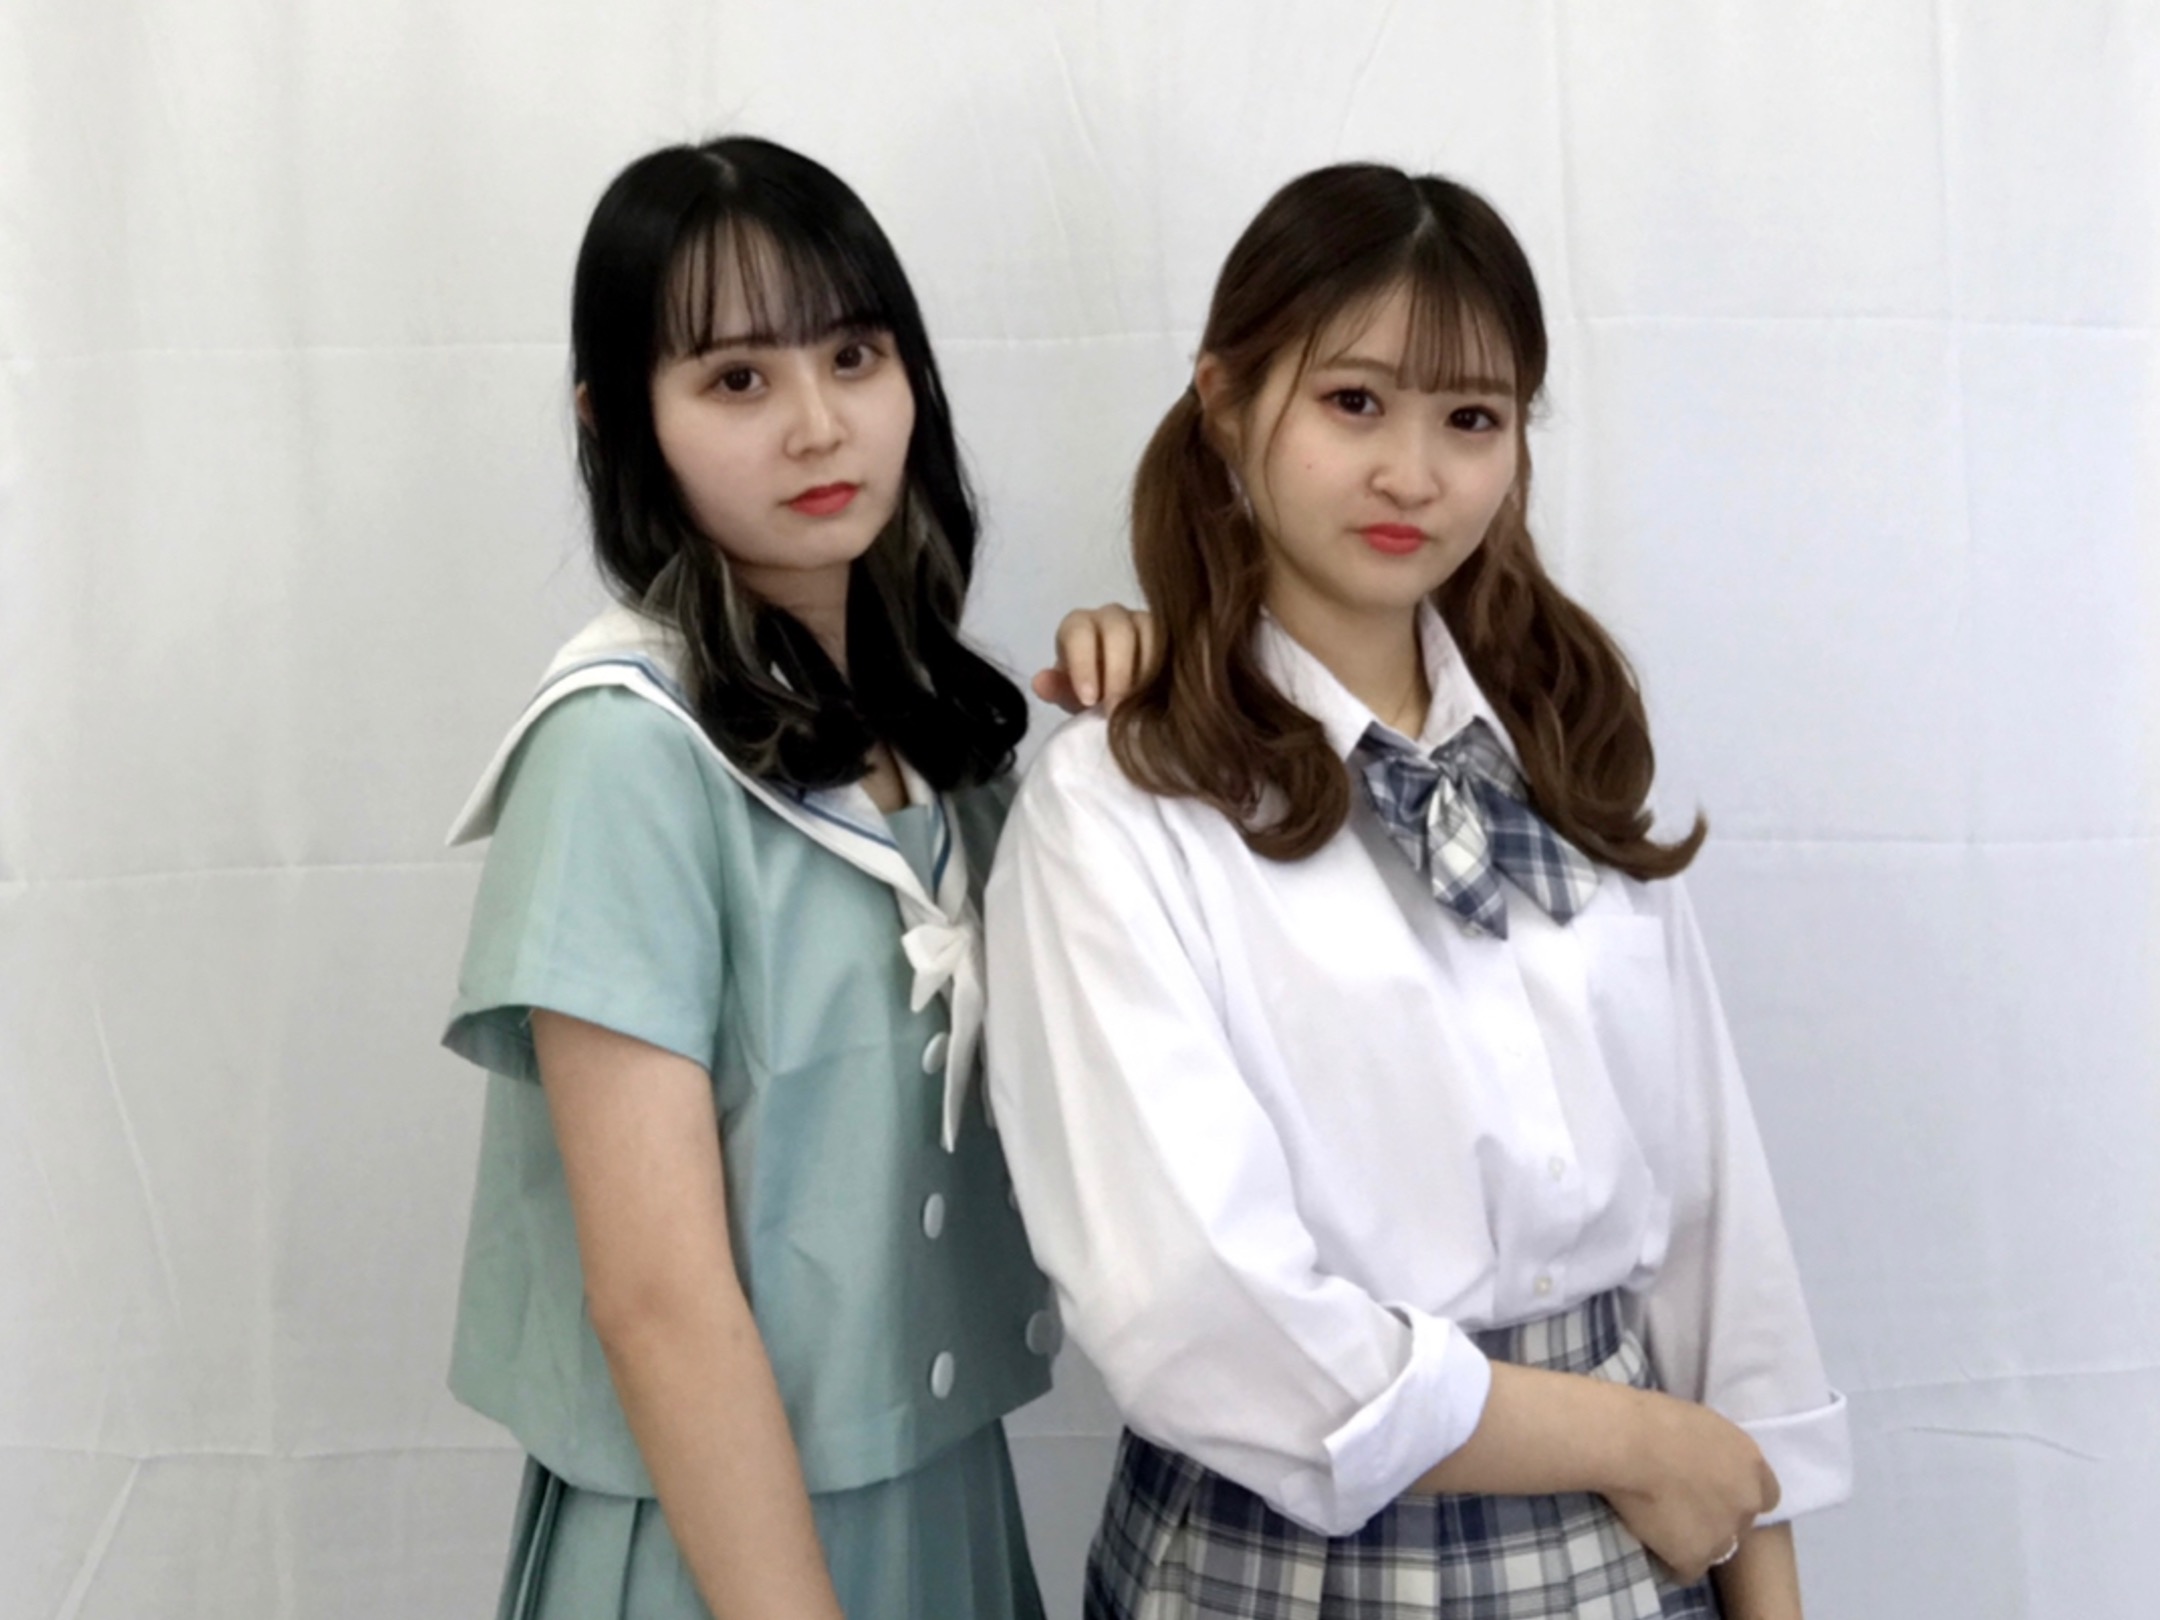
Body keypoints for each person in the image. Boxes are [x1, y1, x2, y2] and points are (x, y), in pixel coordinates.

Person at [983, 163, 1852, 1620]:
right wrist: (1637, 1439)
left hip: (1630, 1545)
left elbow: (1716, 1228)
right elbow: (1196, 1317)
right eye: (1355, 402)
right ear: (1224, 402)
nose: (1413, 474)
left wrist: (1751, 1556)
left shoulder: (1565, 761)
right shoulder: (1120, 807)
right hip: (1287, 1557)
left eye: (1472, 419)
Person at [439, 135, 1152, 1620]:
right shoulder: (621, 753)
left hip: (950, 1508)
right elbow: (655, 1302)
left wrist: (1157, 714)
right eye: (737, 380)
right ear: (619, 419)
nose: (819, 426)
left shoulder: (947, 740)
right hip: (727, 1552)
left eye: (853, 356)